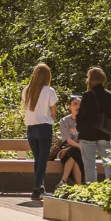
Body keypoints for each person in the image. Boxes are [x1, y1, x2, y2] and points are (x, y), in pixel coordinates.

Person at [22, 64, 60, 195]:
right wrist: (53, 118)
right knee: (42, 159)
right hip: (44, 126)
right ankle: (37, 187)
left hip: (30, 128)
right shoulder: (49, 91)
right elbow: (53, 110)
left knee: (37, 158)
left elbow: (25, 107)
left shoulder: (27, 90)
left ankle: (39, 187)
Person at [77, 67, 111, 182]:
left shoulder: (88, 95)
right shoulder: (110, 95)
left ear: (90, 79)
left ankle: (92, 188)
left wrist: (79, 127)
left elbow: (82, 114)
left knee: (89, 164)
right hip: (104, 131)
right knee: (108, 161)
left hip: (87, 132)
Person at [55, 95, 85, 186]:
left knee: (75, 153)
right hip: (67, 150)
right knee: (74, 151)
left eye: (80, 104)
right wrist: (80, 147)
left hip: (80, 151)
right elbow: (68, 140)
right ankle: (79, 186)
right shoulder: (64, 121)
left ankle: (63, 181)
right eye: (75, 104)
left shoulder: (85, 121)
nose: (78, 107)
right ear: (69, 106)